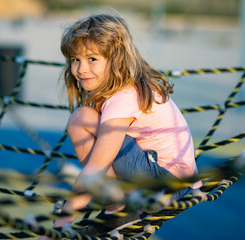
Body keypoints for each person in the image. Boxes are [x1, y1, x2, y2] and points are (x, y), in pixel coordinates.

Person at [40, 13, 201, 239]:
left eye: (92, 59)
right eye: (76, 59)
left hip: (166, 188)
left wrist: (56, 230)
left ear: (115, 60)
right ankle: (119, 207)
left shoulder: (123, 98)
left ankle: (120, 209)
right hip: (172, 182)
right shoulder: (125, 89)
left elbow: (95, 170)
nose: (81, 69)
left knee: (81, 119)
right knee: (83, 117)